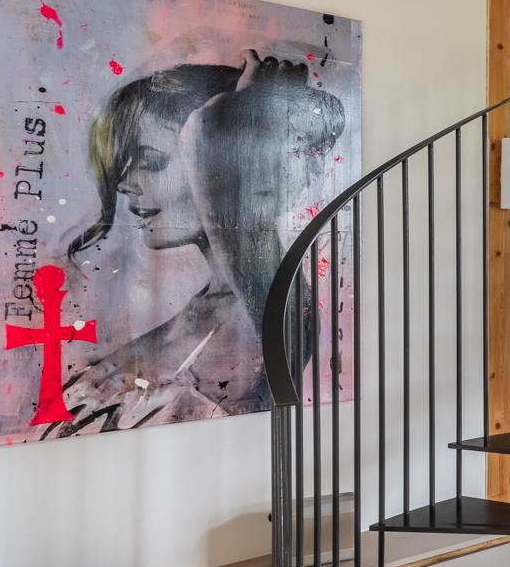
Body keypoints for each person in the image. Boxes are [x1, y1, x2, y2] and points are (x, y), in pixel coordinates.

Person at [57, 51, 347, 432]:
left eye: (151, 161)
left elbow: (207, 137)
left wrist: (229, 124)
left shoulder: (275, 306)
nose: (125, 185)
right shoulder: (198, 312)